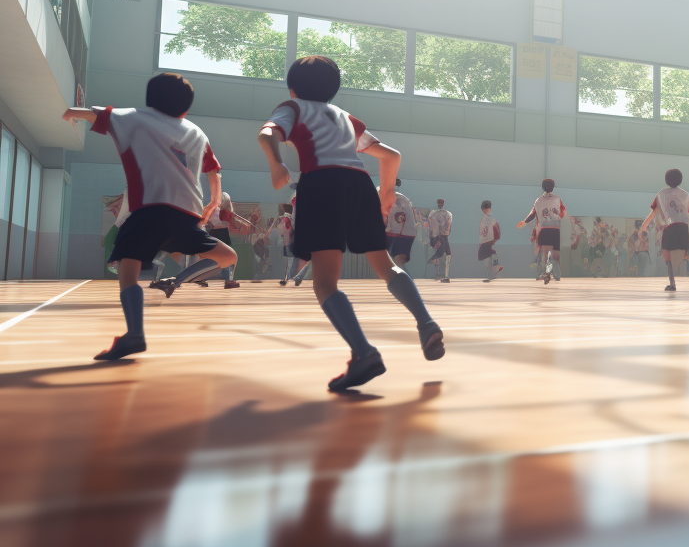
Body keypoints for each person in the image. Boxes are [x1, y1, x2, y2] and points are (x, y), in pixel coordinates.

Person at [258, 55, 444, 391]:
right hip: (358, 184)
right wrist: (386, 194)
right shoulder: (345, 118)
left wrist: (276, 165)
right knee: (385, 265)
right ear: (333, 89)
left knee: (325, 281)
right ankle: (426, 323)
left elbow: (268, 132)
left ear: (292, 87)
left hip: (322, 183)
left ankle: (363, 353)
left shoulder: (294, 107)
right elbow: (391, 156)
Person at [62, 73, 238, 360]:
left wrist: (70, 113)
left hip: (149, 212)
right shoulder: (197, 132)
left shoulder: (132, 117)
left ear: (150, 98)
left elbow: (84, 113)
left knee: (127, 274)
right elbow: (213, 170)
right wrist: (215, 201)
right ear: (186, 106)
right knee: (229, 257)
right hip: (187, 217)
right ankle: (176, 280)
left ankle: (134, 335)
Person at [639, 168, 689, 296]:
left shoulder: (661, 194)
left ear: (666, 179)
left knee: (667, 253)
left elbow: (654, 213)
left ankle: (672, 284)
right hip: (683, 227)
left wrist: (643, 226)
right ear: (680, 179)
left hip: (670, 227)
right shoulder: (686, 195)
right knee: (684, 252)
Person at [195, 193, 254, 289]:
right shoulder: (225, 212)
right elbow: (238, 222)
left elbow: (206, 221)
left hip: (215, 235)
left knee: (209, 258)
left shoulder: (216, 211)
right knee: (228, 259)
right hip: (222, 235)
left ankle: (203, 278)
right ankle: (228, 280)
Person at [518, 179, 565, 284]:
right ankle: (557, 276)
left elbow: (532, 214)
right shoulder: (558, 200)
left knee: (541, 256)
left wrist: (524, 222)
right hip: (555, 230)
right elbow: (562, 213)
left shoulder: (538, 201)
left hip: (543, 230)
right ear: (553, 187)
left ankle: (540, 274)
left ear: (542, 187)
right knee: (556, 255)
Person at [386, 179, 418, 269]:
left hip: (395, 231)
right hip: (404, 232)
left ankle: (397, 273)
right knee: (395, 256)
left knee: (392, 255)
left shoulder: (399, 198)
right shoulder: (404, 199)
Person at [427, 198, 453, 283]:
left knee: (445, 254)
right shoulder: (443, 214)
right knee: (446, 254)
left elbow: (433, 227)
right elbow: (446, 227)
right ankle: (442, 275)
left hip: (440, 236)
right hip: (440, 236)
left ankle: (443, 274)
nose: (441, 204)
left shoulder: (435, 214)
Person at [478, 200, 503, 282]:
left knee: (489, 256)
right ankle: (493, 272)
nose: (487, 209)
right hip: (485, 241)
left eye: (488, 207)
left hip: (488, 240)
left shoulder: (489, 219)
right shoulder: (485, 219)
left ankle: (494, 271)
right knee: (487, 258)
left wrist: (496, 238)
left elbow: (496, 226)